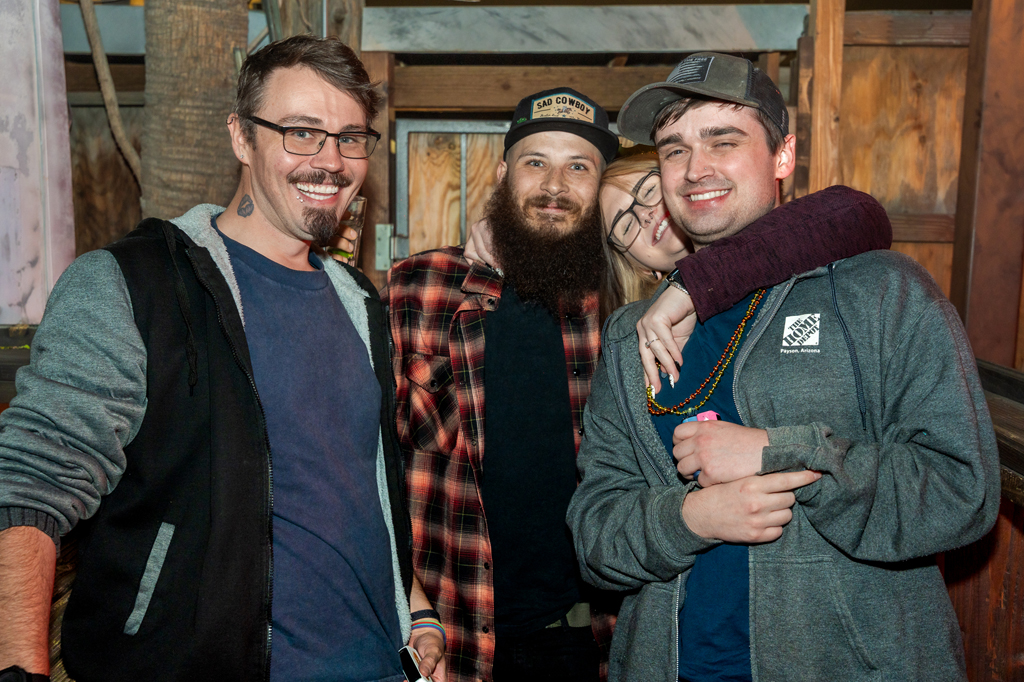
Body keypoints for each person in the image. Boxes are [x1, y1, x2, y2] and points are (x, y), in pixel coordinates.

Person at [388, 86, 892, 682]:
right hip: (459, 633)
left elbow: (855, 213)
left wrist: (693, 283)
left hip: (614, 640)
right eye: (534, 162)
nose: (554, 184)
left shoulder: (635, 316)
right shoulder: (431, 289)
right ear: (503, 176)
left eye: (582, 168)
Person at [0, 36, 444, 682]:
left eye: (350, 138)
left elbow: (353, 491)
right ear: (241, 137)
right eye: (301, 132)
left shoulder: (358, 303)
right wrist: (19, 671)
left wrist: (417, 610)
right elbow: (29, 488)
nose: (331, 161)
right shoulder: (134, 285)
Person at [567, 52, 1001, 682]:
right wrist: (691, 519)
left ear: (783, 156)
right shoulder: (631, 334)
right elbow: (594, 534)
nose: (696, 168)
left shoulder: (882, 291)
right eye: (674, 149)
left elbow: (963, 493)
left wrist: (779, 452)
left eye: (723, 141)